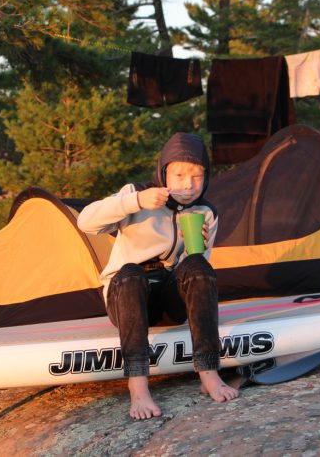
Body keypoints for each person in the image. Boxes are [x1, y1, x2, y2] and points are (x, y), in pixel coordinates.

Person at [77, 132, 239, 420]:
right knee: (130, 273)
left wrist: (194, 249)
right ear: (164, 172)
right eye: (178, 174)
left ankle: (208, 372)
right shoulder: (136, 194)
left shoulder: (206, 212)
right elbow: (85, 221)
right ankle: (138, 385)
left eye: (197, 176)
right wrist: (135, 201)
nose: (188, 185)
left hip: (168, 302)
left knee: (200, 268)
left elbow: (196, 278)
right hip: (126, 296)